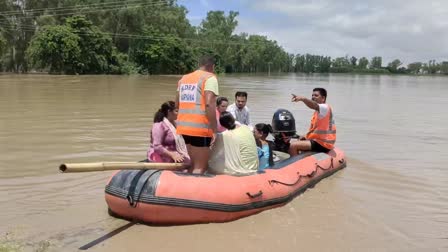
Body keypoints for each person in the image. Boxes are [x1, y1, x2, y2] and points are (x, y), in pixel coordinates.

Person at [176, 55, 219, 174]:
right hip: (201, 129)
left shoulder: (183, 79)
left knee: (193, 164)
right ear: (212, 66)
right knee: (200, 167)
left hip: (184, 128)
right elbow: (209, 104)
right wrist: (214, 130)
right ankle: (190, 191)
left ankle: (185, 189)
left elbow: (177, 104)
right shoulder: (210, 78)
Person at [288, 88, 336, 156]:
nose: (313, 97)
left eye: (316, 95)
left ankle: (294, 165)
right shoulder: (318, 112)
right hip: (319, 141)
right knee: (299, 141)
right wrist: (305, 136)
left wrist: (302, 98)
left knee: (293, 146)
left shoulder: (325, 107)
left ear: (323, 98)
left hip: (323, 143)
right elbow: (316, 129)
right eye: (312, 95)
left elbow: (314, 105)